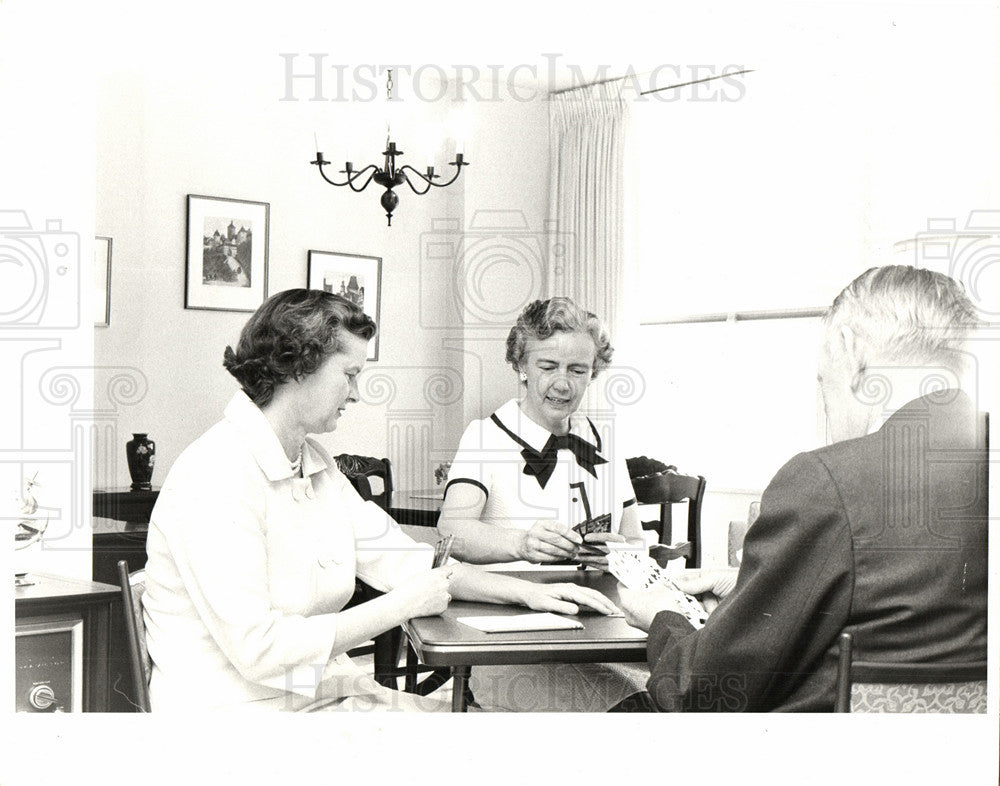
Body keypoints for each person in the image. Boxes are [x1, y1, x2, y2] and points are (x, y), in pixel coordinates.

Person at [141, 289, 619, 712]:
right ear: (298, 367)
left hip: (312, 696)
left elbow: (407, 562)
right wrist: (400, 605)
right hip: (231, 718)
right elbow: (259, 650)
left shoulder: (313, 462)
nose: (355, 392)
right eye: (349, 374)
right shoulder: (216, 475)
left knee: (479, 739)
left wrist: (529, 592)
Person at [619, 265, 988, 712]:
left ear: (850, 351)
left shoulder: (828, 480)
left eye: (822, 383)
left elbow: (702, 694)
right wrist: (749, 589)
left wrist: (664, 614)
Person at [438, 296, 648, 711]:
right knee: (636, 710)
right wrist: (522, 543)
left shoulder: (604, 439)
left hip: (601, 633)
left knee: (682, 696)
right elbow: (451, 534)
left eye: (577, 370)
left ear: (594, 372)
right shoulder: (486, 436)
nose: (562, 384)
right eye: (547, 367)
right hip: (512, 647)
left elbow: (636, 542)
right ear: (521, 366)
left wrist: (616, 555)